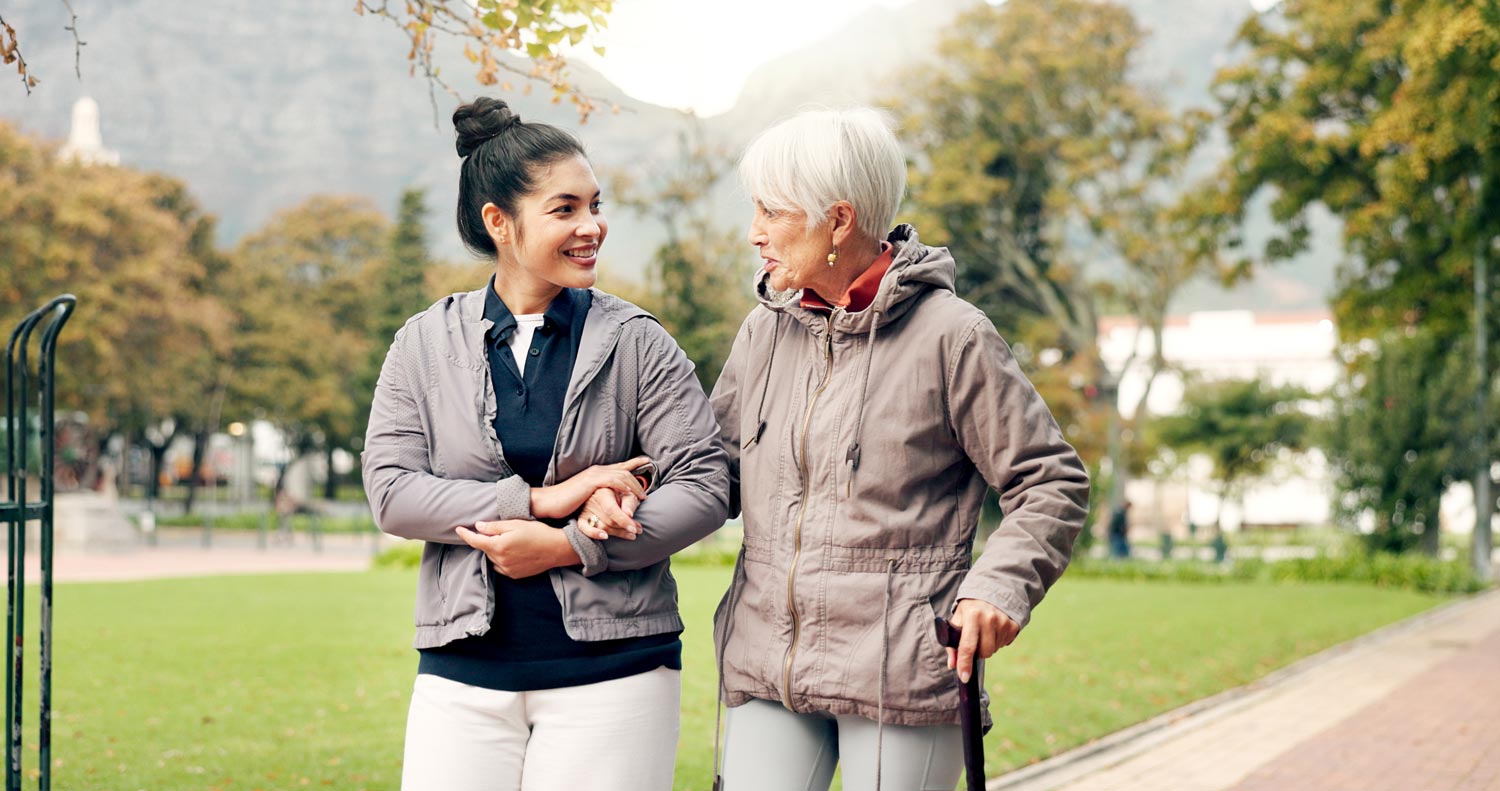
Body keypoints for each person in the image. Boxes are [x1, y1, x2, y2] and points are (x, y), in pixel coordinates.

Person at [709, 108, 1091, 791]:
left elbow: (1050, 480)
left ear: (839, 219)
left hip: (900, 670)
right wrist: (632, 483)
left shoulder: (954, 336)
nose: (754, 233)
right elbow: (713, 469)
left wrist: (997, 588)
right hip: (768, 659)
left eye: (771, 211)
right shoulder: (761, 334)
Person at [362, 97, 729, 791]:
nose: (592, 226)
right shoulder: (422, 342)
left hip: (616, 673)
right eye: (565, 210)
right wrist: (541, 498)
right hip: (461, 675)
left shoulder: (637, 341)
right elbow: (391, 491)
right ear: (499, 222)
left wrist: (570, 545)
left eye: (595, 204)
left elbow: (705, 483)